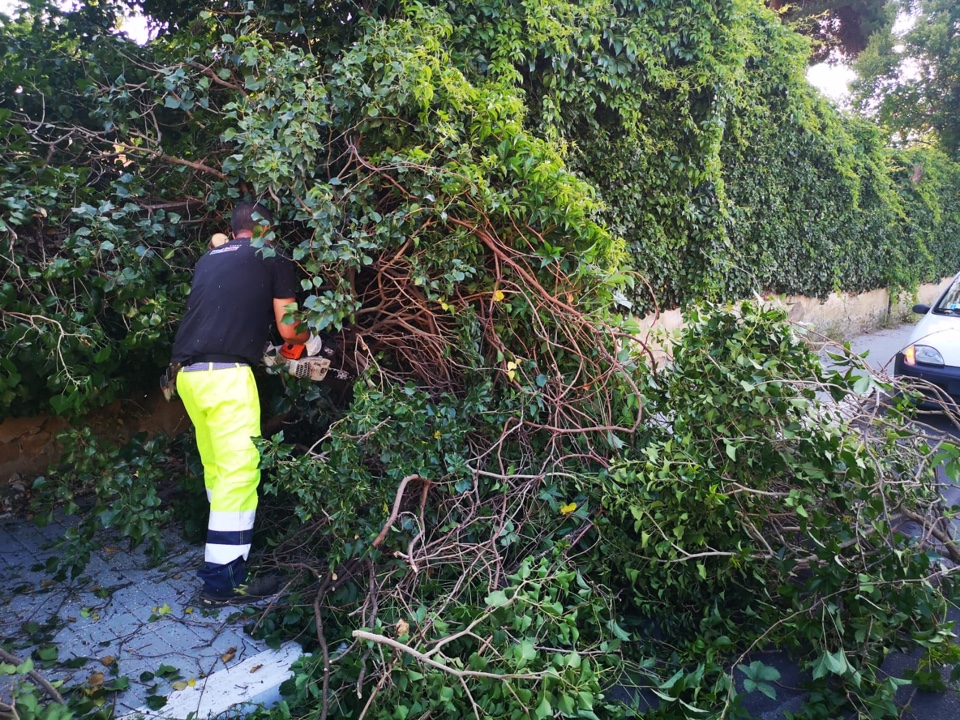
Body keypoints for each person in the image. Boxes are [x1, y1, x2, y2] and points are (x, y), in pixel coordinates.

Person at [170, 200, 309, 606]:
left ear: (234, 231)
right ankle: (223, 583)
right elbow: (290, 328)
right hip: (226, 377)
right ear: (268, 231)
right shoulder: (272, 254)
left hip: (188, 376)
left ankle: (225, 554)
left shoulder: (210, 258)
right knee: (239, 474)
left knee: (218, 471)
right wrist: (310, 337)